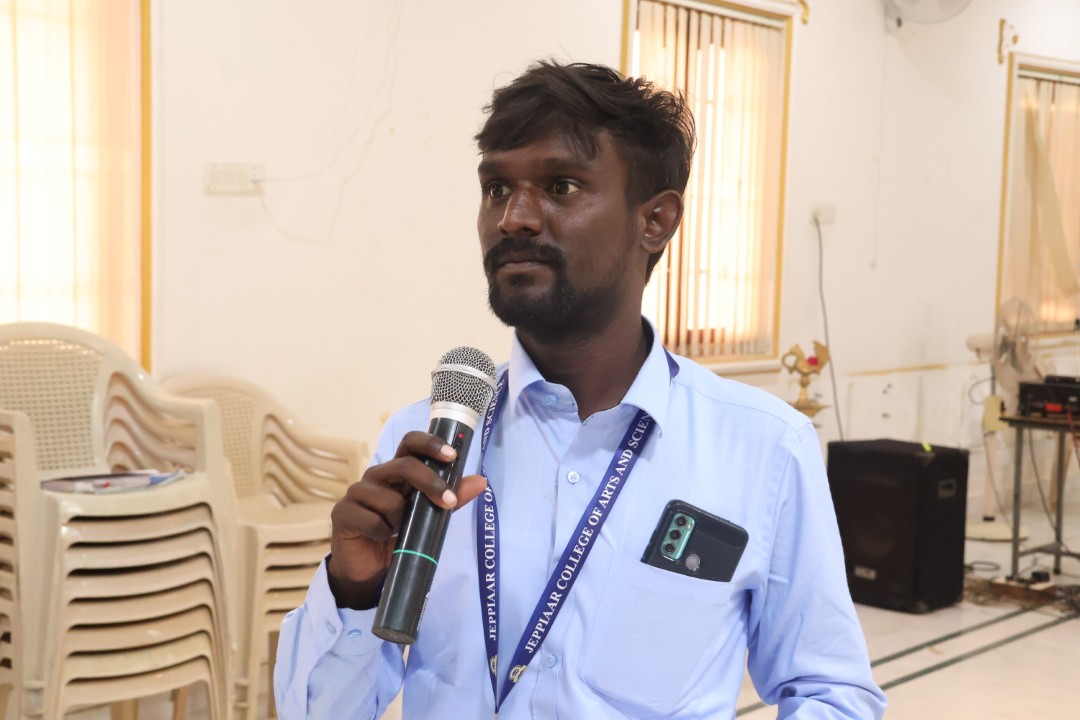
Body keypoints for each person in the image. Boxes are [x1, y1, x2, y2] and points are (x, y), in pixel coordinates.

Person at [274, 59, 886, 719]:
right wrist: (354, 589)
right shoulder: (423, 444)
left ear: (656, 221)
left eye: (560, 186)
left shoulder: (761, 447)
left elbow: (831, 693)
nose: (513, 218)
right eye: (496, 187)